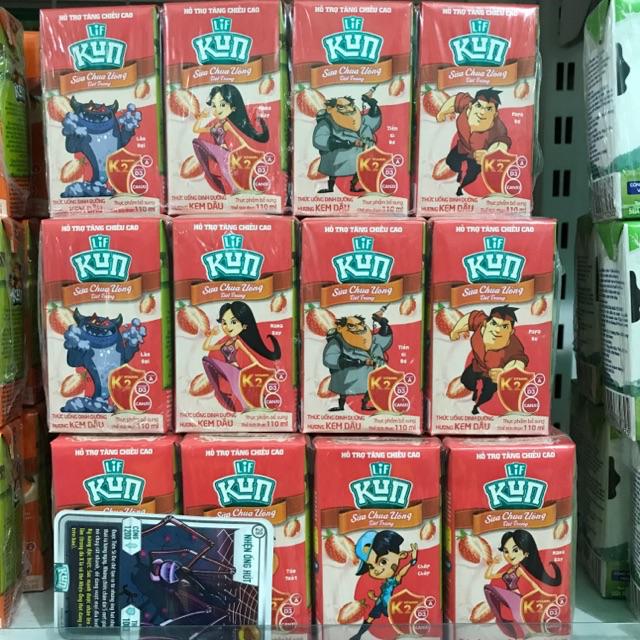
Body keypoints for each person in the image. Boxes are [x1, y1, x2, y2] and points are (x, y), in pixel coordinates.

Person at [202, 301, 280, 412]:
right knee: (207, 361)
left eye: (233, 322)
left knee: (240, 391)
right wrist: (211, 335)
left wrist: (258, 365)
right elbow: (206, 347)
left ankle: (258, 406)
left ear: (243, 325)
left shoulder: (237, 342)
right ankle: (248, 406)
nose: (228, 327)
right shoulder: (225, 344)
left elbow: (249, 354)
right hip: (227, 369)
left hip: (234, 369)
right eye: (224, 323)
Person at [449, 305, 528, 415]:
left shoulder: (514, 347)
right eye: (494, 324)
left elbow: (518, 362)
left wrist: (505, 374)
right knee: (466, 380)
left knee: (487, 395)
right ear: (486, 323)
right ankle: (474, 393)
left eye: (504, 327)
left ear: (511, 331)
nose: (497, 330)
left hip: (494, 376)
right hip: (477, 366)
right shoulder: (480, 323)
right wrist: (455, 330)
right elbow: (469, 318)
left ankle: (476, 407)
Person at [484, 530, 562, 640]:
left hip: (515, 598)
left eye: (515, 550)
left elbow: (531, 583)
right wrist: (493, 563)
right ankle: (521, 634)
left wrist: (541, 594)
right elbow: (488, 576)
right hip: (508, 598)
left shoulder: (520, 570)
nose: (510, 555)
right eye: (506, 551)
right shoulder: (510, 570)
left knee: (517, 618)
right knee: (493, 595)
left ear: (526, 553)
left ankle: (526, 634)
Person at [192, 84, 269, 194]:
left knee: (227, 171)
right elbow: (196, 129)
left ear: (233, 108)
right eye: (214, 105)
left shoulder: (226, 124)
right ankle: (238, 189)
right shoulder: (215, 126)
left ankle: (241, 188)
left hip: (224, 151)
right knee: (198, 144)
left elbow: (237, 136)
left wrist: (245, 146)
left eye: (222, 105)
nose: (218, 109)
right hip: (219, 151)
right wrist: (201, 118)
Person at [436, 88, 511, 196]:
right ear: (471, 105)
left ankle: (461, 188)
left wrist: (489, 155)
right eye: (479, 106)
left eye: (489, 109)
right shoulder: (466, 105)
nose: (482, 112)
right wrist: (442, 112)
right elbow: (454, 101)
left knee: (471, 176)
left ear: (495, 114)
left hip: (478, 157)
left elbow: (501, 144)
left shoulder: (498, 128)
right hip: (462, 147)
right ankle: (459, 174)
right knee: (451, 162)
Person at [349, 530, 418, 640]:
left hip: (389, 605)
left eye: (383, 562)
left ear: (402, 555)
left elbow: (401, 573)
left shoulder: (393, 580)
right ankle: (358, 635)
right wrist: (374, 598)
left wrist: (412, 561)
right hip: (380, 603)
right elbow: (384, 594)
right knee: (370, 618)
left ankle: (405, 634)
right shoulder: (386, 582)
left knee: (394, 620)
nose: (376, 570)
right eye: (371, 566)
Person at [313, 91, 381, 194]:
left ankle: (353, 186)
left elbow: (372, 122)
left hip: (359, 157)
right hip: (338, 157)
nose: (348, 109)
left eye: (350, 105)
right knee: (333, 172)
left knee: (358, 170)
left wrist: (373, 107)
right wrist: (343, 143)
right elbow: (320, 138)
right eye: (341, 107)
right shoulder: (327, 122)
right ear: (331, 109)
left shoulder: (358, 119)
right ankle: (330, 188)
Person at [323, 311, 392, 412]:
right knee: (343, 390)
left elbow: (383, 339)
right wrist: (356, 362)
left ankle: (365, 404)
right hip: (348, 376)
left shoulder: (368, 339)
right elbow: (330, 357)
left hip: (369, 375)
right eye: (351, 326)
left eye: (360, 324)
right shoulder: (338, 341)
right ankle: (341, 406)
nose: (359, 328)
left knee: (370, 388)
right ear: (340, 328)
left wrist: (383, 323)